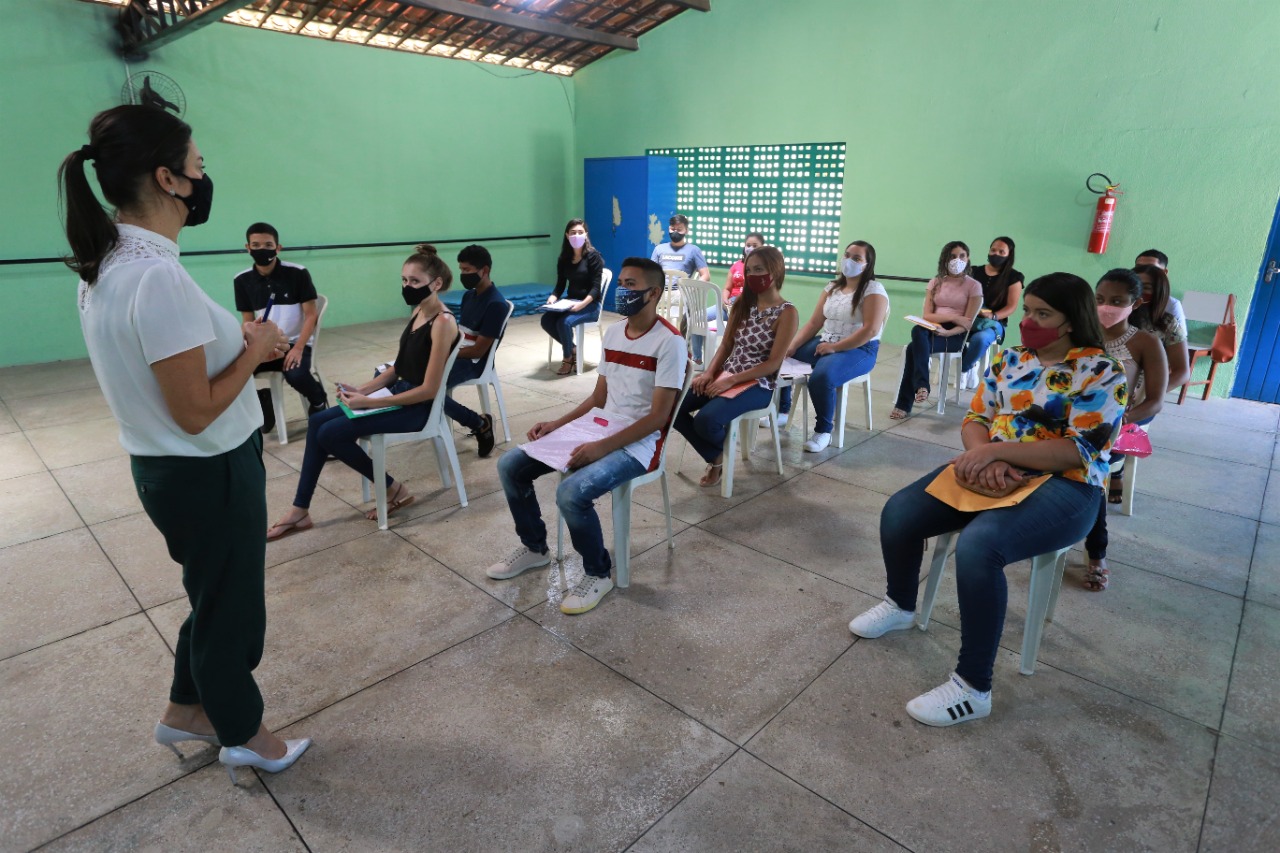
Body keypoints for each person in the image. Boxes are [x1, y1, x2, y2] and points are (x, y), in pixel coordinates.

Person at [60, 105, 310, 782]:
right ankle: (246, 734)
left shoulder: (111, 261)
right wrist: (256, 346)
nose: (204, 177)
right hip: (208, 468)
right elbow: (195, 410)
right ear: (167, 179)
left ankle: (185, 708)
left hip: (169, 468)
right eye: (197, 166)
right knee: (234, 615)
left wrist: (233, 340)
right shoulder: (155, 275)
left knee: (213, 596)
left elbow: (170, 365)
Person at [848, 272, 1127, 727]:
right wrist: (985, 455)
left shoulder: (1101, 371)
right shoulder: (1012, 358)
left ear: (1072, 320)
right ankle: (900, 605)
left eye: (1043, 314)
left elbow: (1078, 449)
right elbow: (977, 417)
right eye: (1028, 310)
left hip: (1067, 484)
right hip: (991, 466)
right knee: (900, 511)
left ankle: (973, 687)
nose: (1029, 322)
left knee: (980, 546)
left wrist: (997, 452)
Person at [486, 258, 686, 615]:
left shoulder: (669, 342)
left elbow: (658, 418)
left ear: (654, 293)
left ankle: (597, 572)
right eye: (621, 283)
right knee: (511, 465)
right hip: (600, 426)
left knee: (571, 492)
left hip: (640, 444)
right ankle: (534, 548)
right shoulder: (614, 333)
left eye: (631, 285)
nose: (622, 291)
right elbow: (598, 398)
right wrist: (557, 424)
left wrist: (600, 448)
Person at [266, 245, 459, 538]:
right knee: (317, 422)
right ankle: (300, 509)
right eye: (404, 280)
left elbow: (430, 390)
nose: (407, 287)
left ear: (437, 283)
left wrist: (369, 401)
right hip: (399, 395)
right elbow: (399, 367)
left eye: (415, 281)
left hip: (418, 408)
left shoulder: (443, 322)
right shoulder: (418, 311)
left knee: (330, 434)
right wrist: (361, 390)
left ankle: (393, 489)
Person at [674, 245, 798, 487]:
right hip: (727, 374)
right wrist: (709, 373)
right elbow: (726, 344)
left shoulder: (787, 313)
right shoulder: (742, 303)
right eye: (749, 270)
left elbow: (773, 364)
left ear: (775, 271)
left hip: (759, 383)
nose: (752, 275)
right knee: (673, 407)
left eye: (759, 270)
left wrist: (731, 380)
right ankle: (716, 456)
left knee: (706, 420)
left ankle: (716, 460)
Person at [1082, 269, 1167, 590]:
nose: (1106, 307)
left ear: (1136, 303)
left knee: (1091, 465)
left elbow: (1155, 401)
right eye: (1100, 299)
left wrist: (1122, 420)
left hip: (1116, 424)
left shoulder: (1145, 342)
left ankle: (1096, 552)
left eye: (1117, 301)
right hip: (1072, 418)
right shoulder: (1078, 333)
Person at [780, 240, 889, 452]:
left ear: (867, 264)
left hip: (860, 349)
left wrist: (835, 348)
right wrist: (791, 346)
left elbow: (870, 330)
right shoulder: (832, 287)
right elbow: (814, 323)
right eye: (847, 255)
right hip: (826, 340)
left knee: (822, 377)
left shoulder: (874, 290)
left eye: (857, 258)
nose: (849, 261)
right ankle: (782, 411)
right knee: (781, 356)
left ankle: (824, 432)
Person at [234, 222, 328, 433]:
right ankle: (262, 401)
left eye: (268, 245)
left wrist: (298, 348)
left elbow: (311, 315)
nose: (262, 249)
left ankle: (319, 401)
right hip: (264, 344)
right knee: (236, 372)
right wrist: (249, 345)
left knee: (296, 375)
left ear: (278, 248)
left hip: (295, 342)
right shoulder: (241, 280)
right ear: (248, 248)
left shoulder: (298, 273)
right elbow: (247, 321)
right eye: (256, 245)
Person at [890, 241, 983, 419]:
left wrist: (949, 331)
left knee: (912, 349)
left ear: (968, 258)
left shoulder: (973, 286)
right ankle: (922, 386)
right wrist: (953, 317)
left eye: (962, 256)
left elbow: (967, 323)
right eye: (953, 256)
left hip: (955, 334)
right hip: (932, 327)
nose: (957, 260)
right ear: (945, 259)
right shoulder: (936, 282)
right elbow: (927, 315)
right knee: (918, 330)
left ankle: (908, 400)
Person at [442, 243, 502, 457]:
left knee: (427, 390)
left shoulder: (496, 304)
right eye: (461, 269)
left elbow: (478, 351)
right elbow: (461, 334)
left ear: (484, 270)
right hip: (458, 353)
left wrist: (445, 354)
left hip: (475, 363)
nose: (463, 274)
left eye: (467, 270)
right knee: (414, 380)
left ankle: (479, 423)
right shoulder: (469, 296)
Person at [543, 219, 605, 375]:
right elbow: (560, 285)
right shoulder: (564, 259)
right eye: (573, 233)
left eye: (580, 232)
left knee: (564, 322)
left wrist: (582, 305)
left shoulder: (593, 256)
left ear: (586, 234)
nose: (576, 235)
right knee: (546, 320)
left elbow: (596, 288)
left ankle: (567, 358)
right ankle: (573, 349)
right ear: (567, 235)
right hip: (570, 302)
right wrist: (553, 297)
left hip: (590, 305)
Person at [689, 232, 761, 362]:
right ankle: (697, 358)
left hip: (747, 308)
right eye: (748, 245)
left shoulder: (763, 269)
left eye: (755, 245)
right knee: (698, 317)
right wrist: (725, 300)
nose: (750, 248)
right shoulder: (736, 266)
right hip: (728, 306)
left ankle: (736, 360)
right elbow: (727, 288)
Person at [961, 236, 1024, 377]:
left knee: (980, 339)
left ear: (1009, 255)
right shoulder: (973, 271)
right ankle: (969, 364)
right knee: (947, 332)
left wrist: (993, 316)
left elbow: (1011, 307)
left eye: (1001, 252)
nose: (996, 254)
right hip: (969, 319)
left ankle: (964, 369)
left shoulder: (1014, 277)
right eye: (993, 250)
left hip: (995, 323)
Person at [1132, 263, 1191, 393]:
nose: (1138, 292)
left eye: (1146, 288)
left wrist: (1150, 395)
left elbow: (1182, 372)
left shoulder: (1168, 323)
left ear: (1159, 292)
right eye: (1133, 286)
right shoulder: (1114, 317)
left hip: (1141, 392)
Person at [1134, 249, 1187, 333]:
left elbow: (1179, 337)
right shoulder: (1125, 297)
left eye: (1152, 268)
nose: (1144, 272)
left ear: (1164, 273)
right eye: (1139, 267)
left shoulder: (1171, 305)